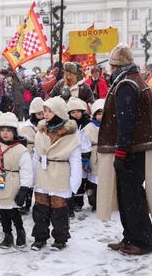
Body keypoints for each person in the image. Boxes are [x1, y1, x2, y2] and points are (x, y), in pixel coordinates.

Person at [96, 44, 152, 256]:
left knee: (132, 198)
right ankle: (130, 237)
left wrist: (121, 152)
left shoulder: (126, 84)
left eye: (112, 65)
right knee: (128, 197)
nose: (110, 69)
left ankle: (142, 242)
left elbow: (126, 122)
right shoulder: (133, 80)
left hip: (132, 150)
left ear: (117, 65)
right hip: (135, 148)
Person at [29, 97, 82, 251]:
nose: (45, 114)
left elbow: (75, 159)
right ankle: (40, 237)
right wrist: (32, 178)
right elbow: (36, 155)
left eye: (49, 111)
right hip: (43, 174)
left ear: (58, 112)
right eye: (44, 110)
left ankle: (60, 238)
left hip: (60, 174)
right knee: (40, 209)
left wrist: (75, 182)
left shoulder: (71, 135)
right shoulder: (41, 132)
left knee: (59, 210)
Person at [0, 112, 32, 249]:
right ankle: (7, 234)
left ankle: (20, 231)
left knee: (13, 211)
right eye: (2, 130)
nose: (5, 133)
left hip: (13, 182)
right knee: (2, 212)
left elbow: (27, 172)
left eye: (9, 130)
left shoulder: (21, 150)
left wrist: (24, 189)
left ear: (15, 132)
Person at [67, 97, 92, 214]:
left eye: (77, 111)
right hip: (72, 155)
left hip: (86, 154)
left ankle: (81, 201)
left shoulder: (88, 124)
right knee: (74, 179)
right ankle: (74, 201)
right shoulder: (69, 125)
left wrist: (86, 156)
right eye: (73, 112)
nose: (76, 114)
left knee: (83, 179)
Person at [82, 99, 105, 211]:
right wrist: (85, 160)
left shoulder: (111, 126)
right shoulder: (89, 128)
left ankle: (105, 202)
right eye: (99, 113)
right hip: (94, 157)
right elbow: (85, 145)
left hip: (107, 156)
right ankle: (94, 202)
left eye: (103, 113)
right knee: (94, 180)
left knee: (105, 180)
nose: (101, 116)